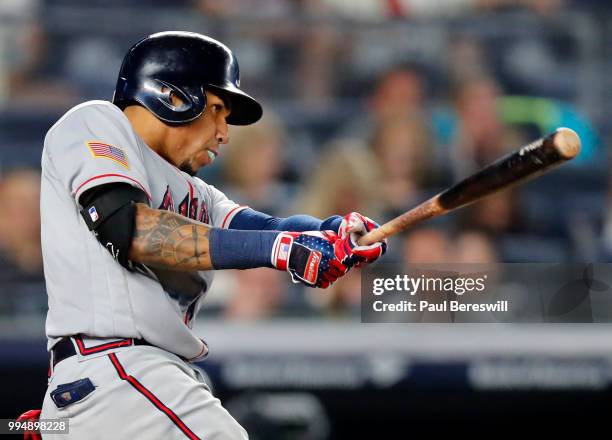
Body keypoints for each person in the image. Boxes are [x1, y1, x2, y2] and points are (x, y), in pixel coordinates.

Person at [37, 31, 386, 439]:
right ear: (171, 96)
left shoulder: (194, 190)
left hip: (123, 387)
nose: (224, 132)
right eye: (217, 110)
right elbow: (127, 228)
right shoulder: (99, 122)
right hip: (116, 372)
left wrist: (332, 232)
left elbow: (264, 229)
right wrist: (284, 250)